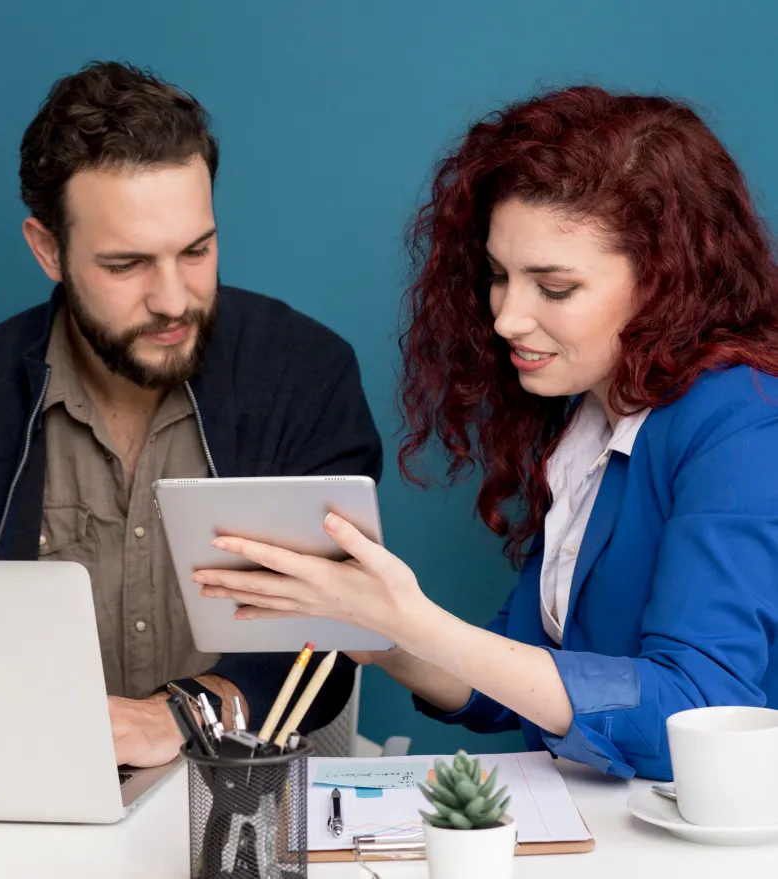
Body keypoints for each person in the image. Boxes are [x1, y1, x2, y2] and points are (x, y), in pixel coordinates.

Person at [191, 85, 778, 781]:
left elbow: (697, 714)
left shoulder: (744, 422)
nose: (505, 319)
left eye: (554, 288)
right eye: (499, 276)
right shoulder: (594, 412)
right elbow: (519, 678)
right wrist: (378, 635)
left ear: (665, 281)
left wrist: (417, 622)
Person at [0, 61, 382, 768]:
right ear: (48, 249)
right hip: (24, 794)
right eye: (126, 264)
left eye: (196, 251)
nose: (173, 299)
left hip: (241, 803)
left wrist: (182, 712)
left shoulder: (304, 374)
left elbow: (335, 632)